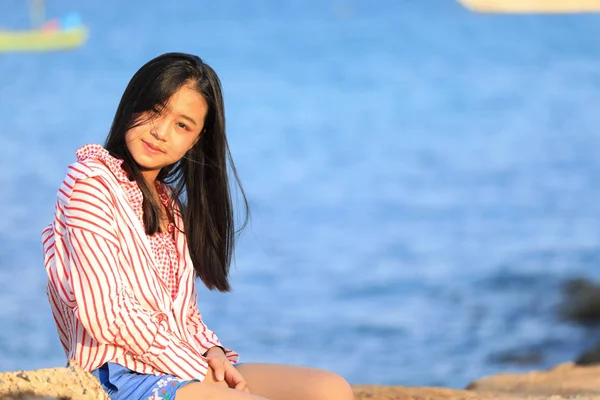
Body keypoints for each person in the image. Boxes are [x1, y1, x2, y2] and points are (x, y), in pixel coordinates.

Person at [41, 52, 355, 400]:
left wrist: (213, 353)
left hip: (179, 364)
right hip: (118, 378)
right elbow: (105, 314)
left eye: (182, 125)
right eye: (155, 110)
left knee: (330, 390)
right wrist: (195, 368)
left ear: (196, 140)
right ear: (132, 104)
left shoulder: (171, 208)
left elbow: (185, 316)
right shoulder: (90, 181)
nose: (160, 132)